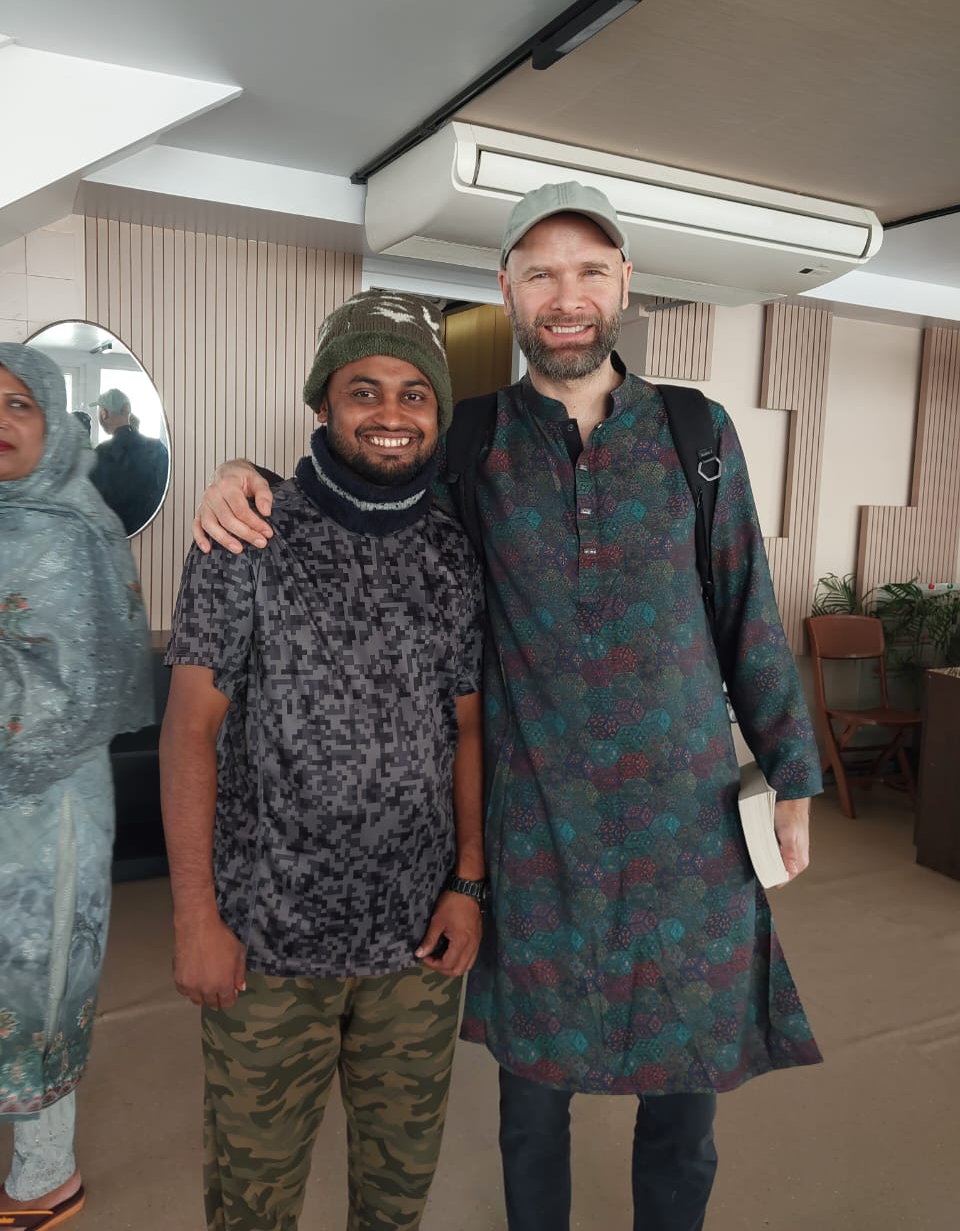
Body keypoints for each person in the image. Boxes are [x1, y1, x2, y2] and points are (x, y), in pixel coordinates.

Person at [192, 183, 824, 1231]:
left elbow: (747, 607)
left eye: (587, 270)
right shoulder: (471, 438)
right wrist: (242, 476)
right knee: (532, 1104)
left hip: (689, 830)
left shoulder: (693, 430)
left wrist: (792, 778)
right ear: (507, 292)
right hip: (538, 838)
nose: (564, 295)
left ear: (623, 283)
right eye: (539, 273)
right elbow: (363, 482)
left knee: (685, 1105)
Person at [159, 290, 485, 1231]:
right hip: (269, 946)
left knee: (396, 1201)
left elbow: (468, 729)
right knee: (253, 1204)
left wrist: (469, 881)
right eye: (364, 390)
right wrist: (195, 919)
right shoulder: (250, 534)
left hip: (413, 953)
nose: (391, 415)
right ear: (323, 406)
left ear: (438, 414)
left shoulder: (452, 559)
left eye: (415, 394)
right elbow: (189, 731)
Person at [0, 345, 153, 1229]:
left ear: (55, 421)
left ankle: (45, 1177)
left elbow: (77, 691)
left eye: (19, 404)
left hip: (45, 803)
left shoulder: (71, 527)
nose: (1, 423)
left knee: (35, 973)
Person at [88, 388, 168, 533]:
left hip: (113, 535)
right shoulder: (156, 448)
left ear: (104, 414)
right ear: (127, 410)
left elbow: (92, 504)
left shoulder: (101, 454)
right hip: (155, 531)